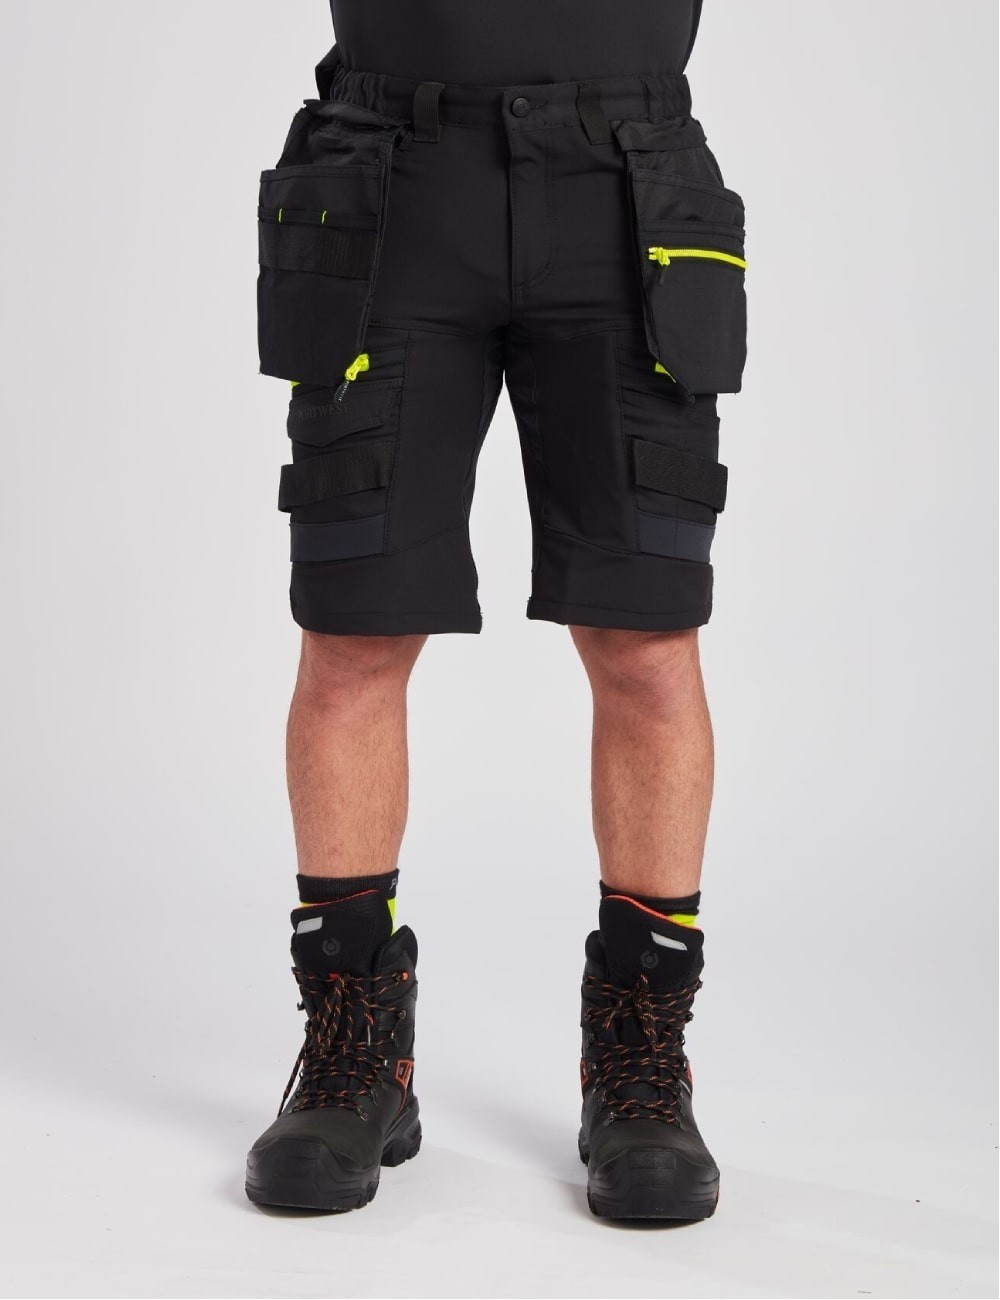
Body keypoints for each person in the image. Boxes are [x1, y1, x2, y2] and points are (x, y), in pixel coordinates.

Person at [246, 0, 747, 1221]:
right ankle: (356, 1048)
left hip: (627, 184)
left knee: (645, 641)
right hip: (389, 181)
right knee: (354, 630)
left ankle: (640, 1066)